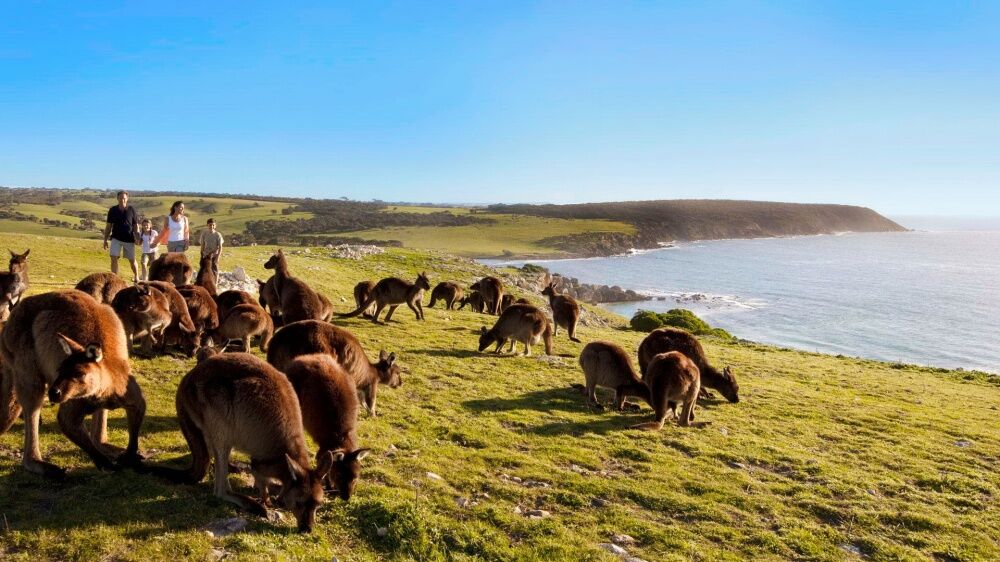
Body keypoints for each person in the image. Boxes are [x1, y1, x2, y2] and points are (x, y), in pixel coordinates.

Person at [103, 190, 140, 282]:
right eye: (120, 198)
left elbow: (136, 225)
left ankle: (136, 276)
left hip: (129, 239)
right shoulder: (112, 210)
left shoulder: (132, 210)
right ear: (117, 198)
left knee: (132, 260)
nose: (122, 200)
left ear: (127, 199)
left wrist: (137, 237)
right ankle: (115, 278)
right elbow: (108, 226)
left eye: (124, 198)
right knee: (113, 257)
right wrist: (105, 240)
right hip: (116, 238)